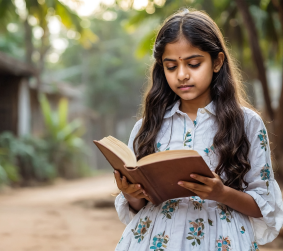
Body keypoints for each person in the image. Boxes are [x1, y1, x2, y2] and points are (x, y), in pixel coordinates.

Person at [113, 9, 283, 251]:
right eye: (171, 67)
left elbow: (264, 204)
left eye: (193, 64)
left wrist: (222, 193)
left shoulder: (246, 123)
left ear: (217, 62)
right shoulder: (147, 127)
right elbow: (138, 205)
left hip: (223, 240)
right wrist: (130, 192)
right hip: (154, 239)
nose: (182, 75)